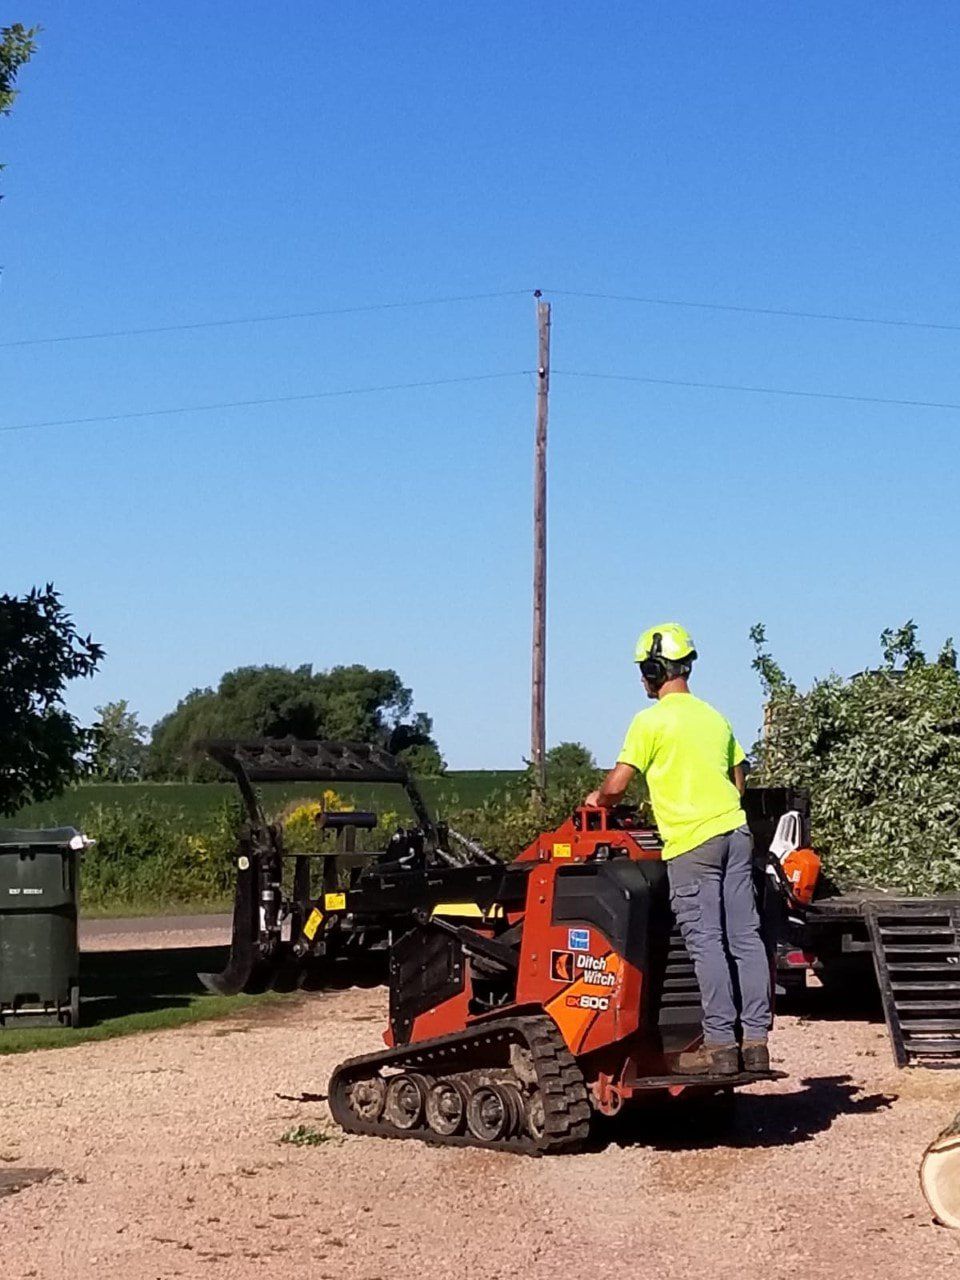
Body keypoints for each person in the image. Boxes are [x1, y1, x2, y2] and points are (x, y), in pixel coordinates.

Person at [585, 623, 771, 1075]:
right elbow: (738, 778)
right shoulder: (714, 716)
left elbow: (617, 783)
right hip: (736, 833)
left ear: (653, 669)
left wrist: (597, 800)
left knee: (705, 941)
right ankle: (757, 1042)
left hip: (692, 844)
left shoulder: (650, 721)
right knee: (746, 938)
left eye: (642, 670)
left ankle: (722, 1046)